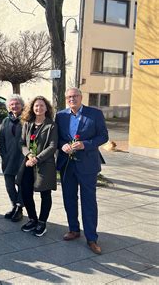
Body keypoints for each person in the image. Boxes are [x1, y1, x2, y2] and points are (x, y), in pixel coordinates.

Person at [56, 88, 108, 254]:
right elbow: (57, 137)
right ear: (66, 99)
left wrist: (86, 144)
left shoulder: (95, 114)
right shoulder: (61, 115)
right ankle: (74, 229)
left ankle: (92, 238)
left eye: (75, 96)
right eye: (69, 97)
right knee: (69, 198)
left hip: (87, 165)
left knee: (89, 201)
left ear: (81, 97)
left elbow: (103, 136)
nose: (72, 99)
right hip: (67, 165)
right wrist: (62, 145)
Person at [16, 96, 58, 237]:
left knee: (45, 193)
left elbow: (52, 146)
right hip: (28, 163)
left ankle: (42, 222)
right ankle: (32, 219)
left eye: (41, 105)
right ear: (32, 108)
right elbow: (22, 143)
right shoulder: (28, 124)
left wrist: (37, 159)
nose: (38, 108)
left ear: (46, 108)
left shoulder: (51, 125)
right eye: (36, 106)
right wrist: (29, 155)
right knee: (25, 191)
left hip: (45, 164)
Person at [0, 94, 25, 222]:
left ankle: (19, 209)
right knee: (9, 183)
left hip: (22, 158)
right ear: (8, 106)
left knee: (21, 183)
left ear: (21, 105)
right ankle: (14, 205)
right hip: (8, 157)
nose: (14, 106)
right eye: (12, 104)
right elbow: (1, 139)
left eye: (17, 104)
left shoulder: (26, 120)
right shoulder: (5, 120)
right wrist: (3, 154)